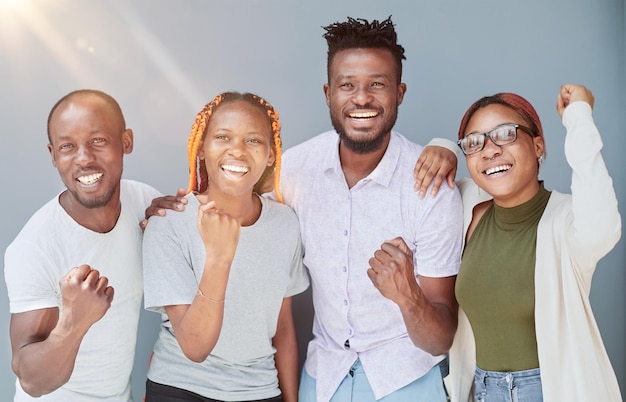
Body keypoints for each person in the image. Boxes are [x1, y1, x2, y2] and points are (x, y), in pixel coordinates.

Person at [277, 16, 464, 402]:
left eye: (377, 84)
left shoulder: (431, 188)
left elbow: (441, 337)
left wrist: (407, 293)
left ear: (400, 92)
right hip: (322, 377)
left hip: (407, 379)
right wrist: (171, 208)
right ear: (329, 93)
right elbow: (236, 206)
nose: (361, 98)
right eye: (348, 85)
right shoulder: (292, 170)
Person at [426, 84, 622, 402]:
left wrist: (579, 116)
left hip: (553, 391)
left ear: (538, 146)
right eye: (475, 143)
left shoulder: (567, 220)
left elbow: (603, 225)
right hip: (481, 391)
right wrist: (443, 146)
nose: (490, 150)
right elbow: (421, 182)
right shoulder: (466, 210)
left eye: (505, 134)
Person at [3, 89, 187, 401]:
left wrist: (175, 225)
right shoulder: (34, 248)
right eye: (67, 146)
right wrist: (74, 322)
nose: (84, 158)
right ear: (53, 155)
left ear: (126, 142)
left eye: (98, 140)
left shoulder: (142, 202)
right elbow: (32, 380)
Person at [141, 92, 309, 402]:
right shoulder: (169, 223)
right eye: (223, 137)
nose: (237, 150)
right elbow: (194, 347)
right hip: (181, 388)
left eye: (253, 140)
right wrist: (219, 257)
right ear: (202, 149)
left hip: (259, 390)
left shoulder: (285, 224)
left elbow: (283, 327)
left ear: (271, 154)